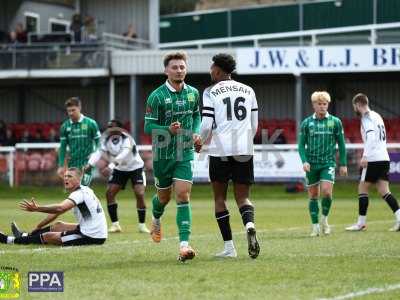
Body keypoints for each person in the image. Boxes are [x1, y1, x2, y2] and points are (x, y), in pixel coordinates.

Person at [196, 53, 260, 259]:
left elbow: (206, 125)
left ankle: (229, 248)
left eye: (212, 67)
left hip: (220, 149)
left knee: (219, 198)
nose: (210, 71)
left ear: (219, 70)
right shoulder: (248, 90)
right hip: (244, 148)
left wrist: (200, 141)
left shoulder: (210, 91)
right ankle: (249, 224)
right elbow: (254, 125)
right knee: (243, 197)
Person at [144, 51, 200, 262]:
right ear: (166, 70)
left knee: (183, 195)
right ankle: (156, 217)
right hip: (163, 154)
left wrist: (195, 132)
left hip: (184, 151)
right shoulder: (156, 96)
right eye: (175, 67)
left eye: (182, 67)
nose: (179, 70)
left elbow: (196, 115)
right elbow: (148, 126)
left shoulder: (194, 93)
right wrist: (168, 129)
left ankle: (184, 246)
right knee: (163, 198)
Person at [0, 168, 107, 246]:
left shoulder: (78, 194)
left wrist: (37, 208)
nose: (66, 178)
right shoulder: (84, 190)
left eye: (70, 176)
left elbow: (60, 208)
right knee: (58, 225)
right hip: (94, 230)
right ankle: (24, 236)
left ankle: (8, 240)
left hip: (91, 236)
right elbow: (57, 212)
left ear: (79, 179)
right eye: (65, 176)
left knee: (48, 236)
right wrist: (39, 226)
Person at [346, 93, 400, 232]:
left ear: (358, 104)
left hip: (373, 159)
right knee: (384, 190)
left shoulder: (366, 117)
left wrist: (365, 156)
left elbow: (370, 137)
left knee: (362, 188)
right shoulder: (377, 115)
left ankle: (361, 223)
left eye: (354, 106)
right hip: (384, 158)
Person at [85, 119, 150, 234]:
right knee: (109, 193)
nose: (111, 130)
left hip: (136, 168)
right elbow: (98, 153)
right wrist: (90, 164)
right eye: (109, 127)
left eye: (113, 127)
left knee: (139, 193)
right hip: (120, 170)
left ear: (120, 129)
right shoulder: (105, 140)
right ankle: (115, 225)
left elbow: (123, 155)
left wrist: (110, 166)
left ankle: (142, 225)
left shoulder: (127, 139)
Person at [298, 91, 348, 237]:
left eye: (324, 104)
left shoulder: (335, 122)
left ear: (328, 105)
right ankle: (315, 227)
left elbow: (342, 145)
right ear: (314, 105)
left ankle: (324, 220)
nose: (322, 107)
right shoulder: (307, 123)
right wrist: (304, 161)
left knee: (326, 192)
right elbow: (301, 145)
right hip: (311, 164)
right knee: (313, 195)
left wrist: (343, 164)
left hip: (328, 163)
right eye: (319, 104)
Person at [57, 97, 100, 186]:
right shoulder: (65, 126)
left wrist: (95, 154)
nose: (71, 113)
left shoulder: (91, 123)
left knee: (83, 188)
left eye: (73, 110)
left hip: (87, 163)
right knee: (74, 189)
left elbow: (99, 142)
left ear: (79, 108)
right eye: (69, 111)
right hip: (72, 163)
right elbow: (63, 147)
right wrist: (61, 165)